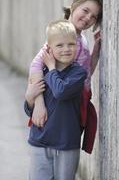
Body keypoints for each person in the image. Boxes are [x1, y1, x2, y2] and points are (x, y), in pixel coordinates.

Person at [27, 0, 103, 133]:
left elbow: (85, 73)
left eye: (94, 16)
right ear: (74, 5)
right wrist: (39, 103)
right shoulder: (61, 35)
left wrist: (95, 54)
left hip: (75, 99)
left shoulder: (82, 39)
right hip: (59, 100)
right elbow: (36, 66)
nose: (88, 18)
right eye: (85, 11)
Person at [25, 19, 87, 180]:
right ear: (49, 49)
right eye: (59, 45)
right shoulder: (41, 71)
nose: (66, 49)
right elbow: (29, 108)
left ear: (77, 45)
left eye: (71, 44)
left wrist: (52, 68)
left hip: (66, 142)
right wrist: (30, 98)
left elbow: (61, 91)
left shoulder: (78, 74)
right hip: (40, 140)